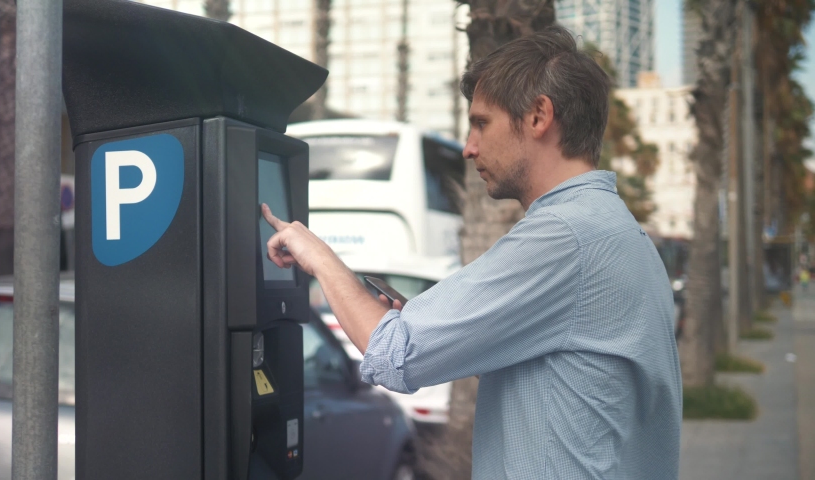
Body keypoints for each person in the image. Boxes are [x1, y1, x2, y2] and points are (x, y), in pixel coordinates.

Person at [262, 25, 681, 479]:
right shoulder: (622, 234)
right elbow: (571, 390)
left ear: (540, 116)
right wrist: (451, 329)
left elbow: (394, 353)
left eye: (481, 122)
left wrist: (318, 255)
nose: (468, 147)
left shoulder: (564, 236)